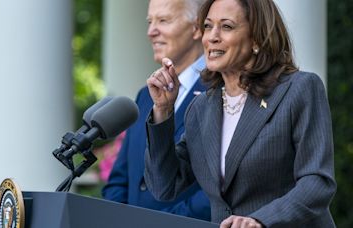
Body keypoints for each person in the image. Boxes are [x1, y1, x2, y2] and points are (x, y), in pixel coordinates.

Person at [144, 0, 337, 227]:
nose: (212, 37)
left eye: (226, 27)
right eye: (208, 26)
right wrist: (163, 111)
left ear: (256, 38)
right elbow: (164, 186)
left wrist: (260, 220)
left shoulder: (299, 89)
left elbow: (317, 181)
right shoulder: (201, 108)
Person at [101, 0, 211, 221]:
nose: (151, 31)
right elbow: (120, 179)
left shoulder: (219, 92)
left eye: (163, 20)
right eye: (150, 21)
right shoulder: (145, 96)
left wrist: (152, 222)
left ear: (197, 28)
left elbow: (218, 191)